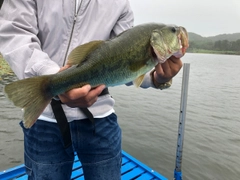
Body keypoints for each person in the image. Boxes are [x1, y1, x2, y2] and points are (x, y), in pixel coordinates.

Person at [0, 0, 183, 179]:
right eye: (173, 32)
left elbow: (127, 68)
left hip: (100, 117)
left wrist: (158, 79)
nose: (178, 33)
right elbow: (15, 32)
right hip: (45, 119)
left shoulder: (121, 5)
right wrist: (50, 74)